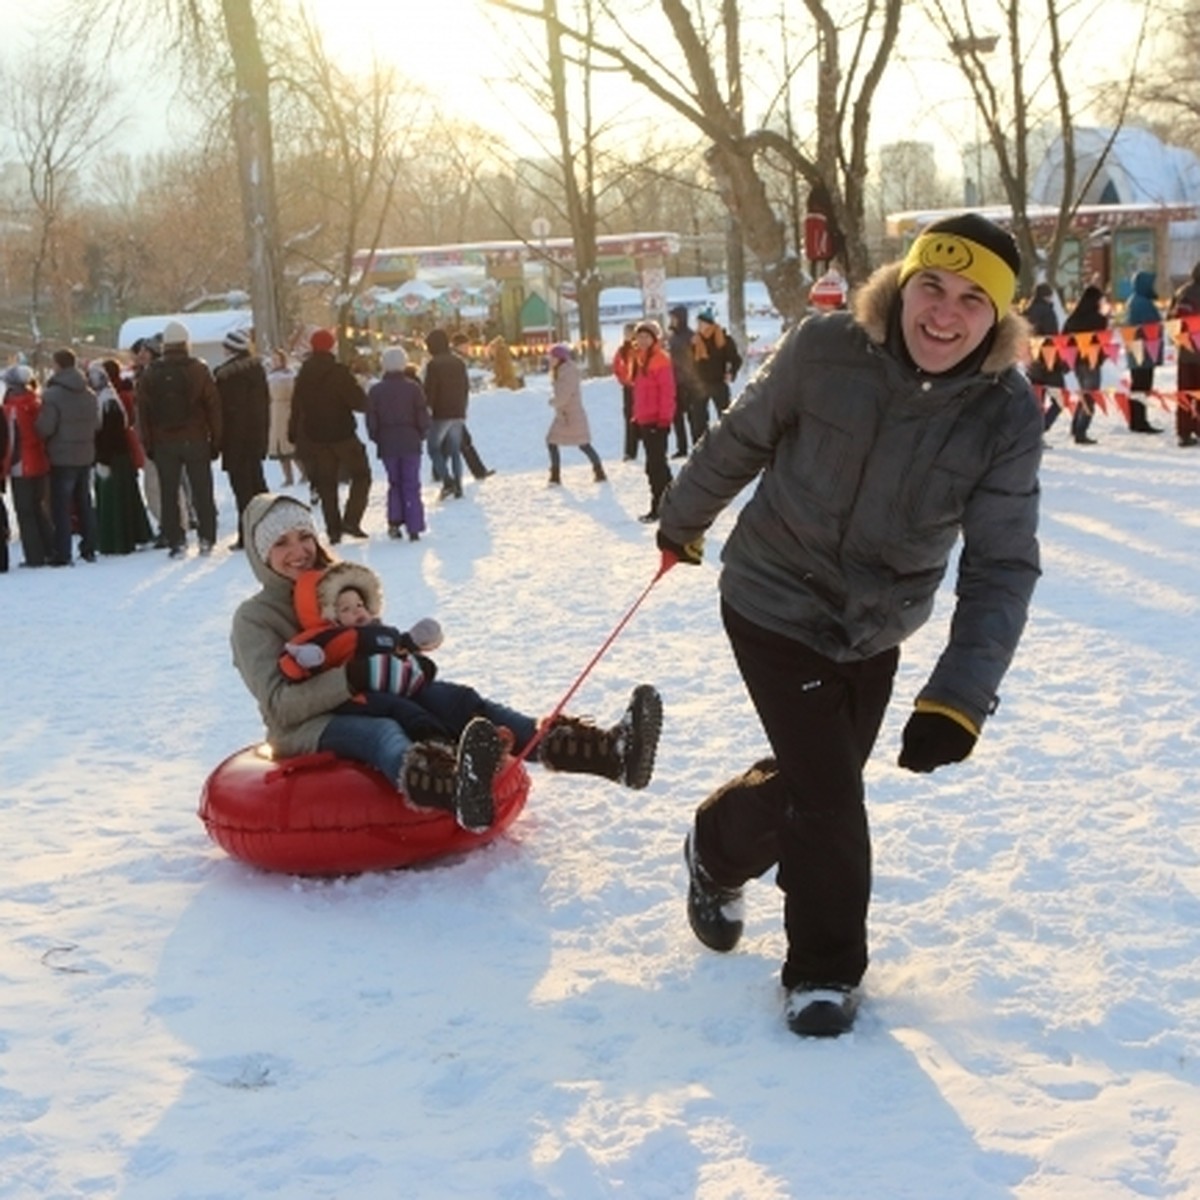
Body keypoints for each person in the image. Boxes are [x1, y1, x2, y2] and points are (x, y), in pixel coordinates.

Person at [655, 212, 1042, 1038]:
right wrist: (683, 517)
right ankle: (823, 972)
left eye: (973, 300)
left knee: (813, 784)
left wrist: (959, 696)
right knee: (832, 794)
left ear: (999, 319)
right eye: (931, 286)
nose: (945, 312)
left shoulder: (1004, 414)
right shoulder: (824, 348)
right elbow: (743, 436)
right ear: (900, 286)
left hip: (876, 623)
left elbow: (1002, 563)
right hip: (771, 600)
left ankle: (716, 847)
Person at [230, 493, 665, 833]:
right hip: (310, 726)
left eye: (304, 536)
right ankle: (456, 791)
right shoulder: (254, 619)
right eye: (282, 543)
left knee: (460, 701)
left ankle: (608, 753)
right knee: (384, 732)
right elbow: (279, 705)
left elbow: (368, 639)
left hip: (377, 694)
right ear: (260, 554)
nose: (299, 550)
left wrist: (405, 659)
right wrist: (353, 677)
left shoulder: (334, 585)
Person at [135, 320, 222, 557]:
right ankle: (206, 538)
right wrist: (216, 440)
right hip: (195, 438)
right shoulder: (198, 368)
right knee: (202, 490)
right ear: (186, 342)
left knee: (169, 492)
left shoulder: (151, 372)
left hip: (164, 442)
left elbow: (143, 411)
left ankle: (177, 541)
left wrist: (149, 444)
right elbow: (213, 406)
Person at [289, 328, 371, 541]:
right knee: (361, 476)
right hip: (343, 434)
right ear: (331, 346)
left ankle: (333, 530)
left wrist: (293, 433)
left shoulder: (303, 375)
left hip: (316, 435)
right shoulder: (339, 372)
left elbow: (296, 406)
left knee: (327, 484)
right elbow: (359, 403)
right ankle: (351, 520)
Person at [35, 348, 100, 566]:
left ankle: (62, 553)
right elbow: (97, 424)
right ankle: (89, 547)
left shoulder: (52, 395)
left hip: (62, 456)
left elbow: (45, 428)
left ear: (57, 365)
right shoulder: (89, 393)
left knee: (60, 507)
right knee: (85, 502)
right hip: (86, 454)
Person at [366, 345, 429, 541]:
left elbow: (371, 420)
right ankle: (414, 525)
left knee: (394, 482)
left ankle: (394, 520)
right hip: (410, 440)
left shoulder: (376, 391)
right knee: (411, 482)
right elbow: (422, 415)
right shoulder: (413, 389)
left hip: (388, 442)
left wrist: (377, 437)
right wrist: (420, 433)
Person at [91, 360, 154, 555]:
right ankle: (134, 535)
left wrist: (103, 460)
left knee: (114, 502)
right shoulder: (109, 398)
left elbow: (110, 434)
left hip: (112, 458)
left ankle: (117, 542)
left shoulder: (107, 402)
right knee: (127, 499)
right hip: (119, 456)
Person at [214, 329, 270, 549]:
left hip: (234, 441)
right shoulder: (258, 371)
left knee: (242, 491)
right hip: (255, 439)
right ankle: (268, 529)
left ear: (231, 349)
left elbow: (221, 413)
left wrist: (217, 441)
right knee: (258, 485)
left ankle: (247, 534)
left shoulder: (224, 376)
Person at [2, 365, 54, 567]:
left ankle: (34, 555)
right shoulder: (37, 401)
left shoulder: (12, 408)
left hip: (21, 464)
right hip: (40, 460)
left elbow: (11, 442)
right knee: (38, 507)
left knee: (25, 511)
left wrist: (5, 468)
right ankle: (49, 548)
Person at [629, 319, 676, 523]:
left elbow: (667, 392)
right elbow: (638, 392)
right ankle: (670, 503)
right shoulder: (640, 360)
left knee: (656, 466)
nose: (642, 340)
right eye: (639, 336)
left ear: (654, 338)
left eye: (647, 336)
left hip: (658, 421)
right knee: (655, 465)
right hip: (645, 420)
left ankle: (662, 505)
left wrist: (664, 419)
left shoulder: (660, 360)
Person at [546, 344, 606, 485]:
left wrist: (553, 402)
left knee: (582, 444)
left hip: (571, 416)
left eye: (552, 357)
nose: (550, 359)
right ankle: (556, 475)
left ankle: (598, 471)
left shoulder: (567, 372)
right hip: (565, 415)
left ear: (559, 358)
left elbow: (564, 395)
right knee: (555, 442)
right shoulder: (562, 370)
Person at [423, 328, 470, 498]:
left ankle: (447, 480)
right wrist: (463, 408)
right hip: (458, 411)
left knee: (433, 448)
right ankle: (458, 485)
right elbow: (465, 387)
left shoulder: (433, 365)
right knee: (455, 450)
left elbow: (430, 390)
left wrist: (428, 408)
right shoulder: (458, 362)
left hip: (441, 413)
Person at [1062, 284, 1108, 445]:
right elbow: (1104, 341)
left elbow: (1063, 339)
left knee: (1084, 394)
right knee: (1090, 395)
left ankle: (1076, 427)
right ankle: (1081, 431)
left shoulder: (1073, 318)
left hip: (1076, 360)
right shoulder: (1099, 319)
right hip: (1091, 360)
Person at [1123, 271, 1164, 434]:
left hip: (1140, 350)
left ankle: (1137, 420)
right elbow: (1151, 325)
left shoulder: (1136, 300)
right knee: (1142, 385)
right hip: (1143, 351)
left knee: (1139, 385)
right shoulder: (1142, 303)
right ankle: (1139, 421)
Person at [691, 309, 743, 438]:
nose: (699, 326)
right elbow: (690, 362)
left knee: (725, 415)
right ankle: (702, 446)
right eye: (698, 323)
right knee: (699, 419)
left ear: (710, 324)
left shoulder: (723, 339)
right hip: (700, 384)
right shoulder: (695, 341)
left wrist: (731, 372)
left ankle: (727, 441)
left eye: (701, 323)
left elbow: (735, 359)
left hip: (718, 381)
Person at [451, 332, 495, 481]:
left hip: (453, 408)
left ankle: (479, 471)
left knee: (460, 442)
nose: (468, 348)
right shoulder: (454, 360)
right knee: (463, 442)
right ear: (458, 346)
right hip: (451, 408)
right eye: (465, 346)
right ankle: (478, 472)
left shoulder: (459, 359)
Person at [1024, 283, 1066, 433]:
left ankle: (1035, 432)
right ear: (1047, 296)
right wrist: (1060, 362)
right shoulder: (1048, 312)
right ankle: (1041, 429)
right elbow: (1052, 338)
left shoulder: (1027, 311)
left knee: (1037, 399)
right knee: (1060, 399)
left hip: (1032, 359)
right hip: (1049, 360)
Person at [1168, 263, 1200, 447]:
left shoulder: (1182, 292)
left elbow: (1171, 320)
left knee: (1185, 393)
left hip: (1186, 352)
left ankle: (1185, 430)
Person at [666, 305, 700, 458]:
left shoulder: (690, 336)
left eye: (674, 317)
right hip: (675, 382)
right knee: (677, 416)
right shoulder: (672, 337)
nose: (671, 320)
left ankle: (697, 444)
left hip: (689, 381)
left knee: (693, 417)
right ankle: (682, 447)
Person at [266, 348, 301, 486]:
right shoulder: (269, 377)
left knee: (291, 445)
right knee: (279, 447)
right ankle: (288, 477)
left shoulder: (290, 375)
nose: (275, 362)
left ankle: (304, 473)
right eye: (273, 360)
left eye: (277, 359)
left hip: (287, 410)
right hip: (275, 412)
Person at [612, 322, 640, 462]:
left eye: (630, 333)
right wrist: (623, 380)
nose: (627, 336)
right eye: (626, 333)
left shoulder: (639, 349)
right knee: (629, 418)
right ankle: (630, 450)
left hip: (641, 388)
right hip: (628, 388)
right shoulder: (622, 350)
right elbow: (616, 367)